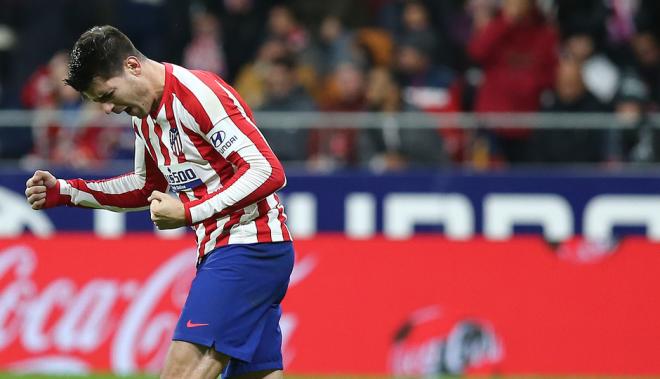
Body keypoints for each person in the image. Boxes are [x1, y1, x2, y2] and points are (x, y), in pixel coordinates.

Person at [24, 25, 294, 379]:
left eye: (107, 94)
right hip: (231, 251)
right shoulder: (145, 117)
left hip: (248, 247)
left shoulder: (198, 94)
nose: (107, 109)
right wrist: (67, 191)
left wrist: (189, 211)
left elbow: (267, 171)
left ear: (133, 67)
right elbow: (143, 186)